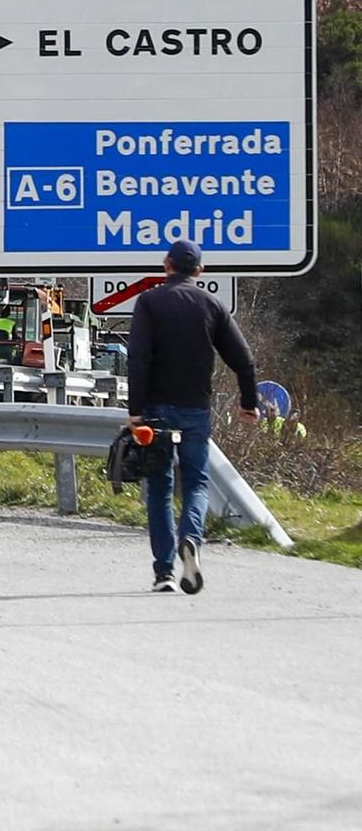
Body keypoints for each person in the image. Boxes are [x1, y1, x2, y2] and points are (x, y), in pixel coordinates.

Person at [126, 239, 258, 595]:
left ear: (166, 264)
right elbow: (243, 359)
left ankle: (164, 572)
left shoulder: (149, 302)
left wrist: (135, 409)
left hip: (156, 410)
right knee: (197, 482)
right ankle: (191, 539)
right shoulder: (212, 305)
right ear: (199, 271)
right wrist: (249, 402)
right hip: (196, 409)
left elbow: (138, 358)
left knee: (160, 487)